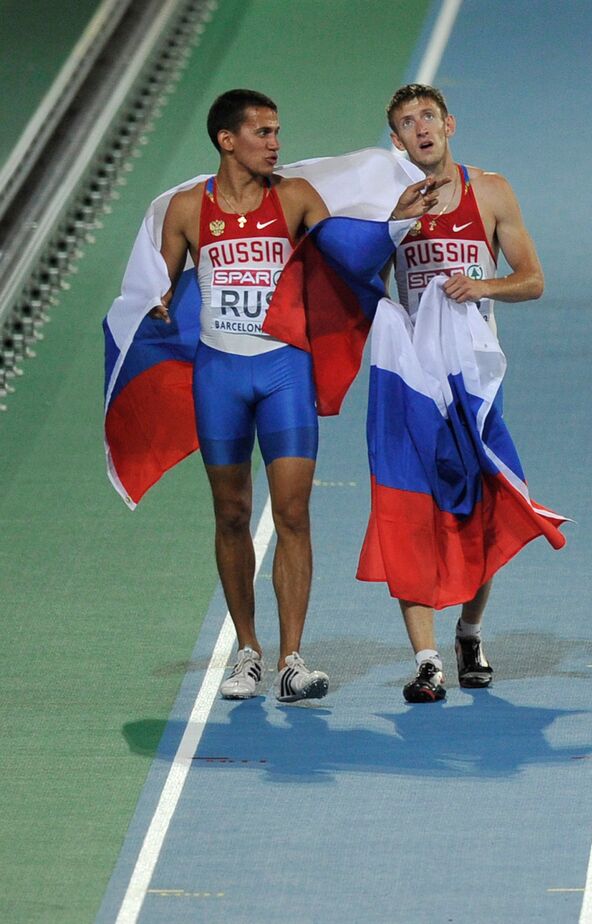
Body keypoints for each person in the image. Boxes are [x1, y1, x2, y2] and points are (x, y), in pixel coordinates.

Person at [154, 89, 336, 702]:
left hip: (285, 371)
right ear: (227, 140)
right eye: (263, 132)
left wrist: (394, 224)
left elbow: (347, 257)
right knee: (231, 514)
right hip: (220, 377)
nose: (276, 143)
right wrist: (155, 301)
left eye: (277, 131)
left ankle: (292, 658)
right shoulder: (186, 208)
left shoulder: (296, 197)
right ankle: (249, 651)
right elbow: (161, 282)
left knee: (292, 513)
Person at [379, 83, 546, 703]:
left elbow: (532, 281)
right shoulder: (389, 203)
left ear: (449, 124)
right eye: (406, 123)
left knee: (485, 506)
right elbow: (361, 280)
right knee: (410, 511)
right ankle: (425, 659)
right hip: (414, 383)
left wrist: (483, 288)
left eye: (428, 117)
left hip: (474, 382)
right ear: (397, 140)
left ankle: (469, 632)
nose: (420, 128)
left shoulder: (492, 192)